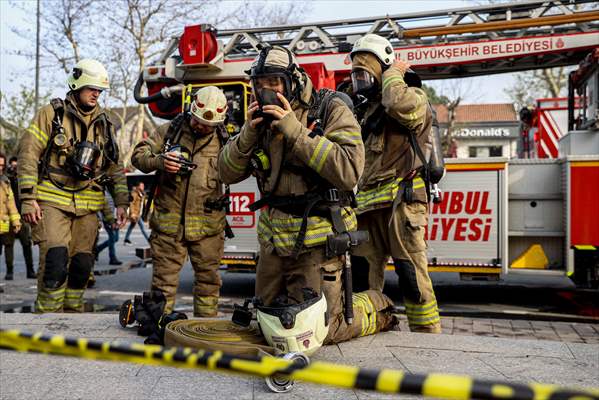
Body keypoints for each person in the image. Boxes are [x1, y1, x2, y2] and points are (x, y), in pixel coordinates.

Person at [218, 45, 398, 346]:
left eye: (274, 82)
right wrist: (248, 133)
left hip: (318, 243)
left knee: (320, 333)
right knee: (267, 326)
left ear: (294, 81)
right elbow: (225, 172)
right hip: (274, 244)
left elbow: (349, 170)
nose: (266, 91)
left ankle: (378, 306)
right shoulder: (258, 123)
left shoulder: (329, 108)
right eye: (259, 84)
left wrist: (294, 130)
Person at [17, 58, 129, 313]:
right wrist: (27, 198)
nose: (96, 94)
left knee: (82, 265)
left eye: (99, 90)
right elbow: (28, 154)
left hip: (89, 205)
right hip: (52, 201)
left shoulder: (105, 124)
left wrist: (122, 203)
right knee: (55, 262)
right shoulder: (51, 114)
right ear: (77, 85)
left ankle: (73, 319)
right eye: (92, 88)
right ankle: (46, 318)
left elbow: (115, 168)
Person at [349, 34, 441, 333]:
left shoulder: (412, 97)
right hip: (366, 209)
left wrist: (393, 74)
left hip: (401, 204)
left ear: (384, 68)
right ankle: (371, 333)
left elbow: (396, 102)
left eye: (366, 73)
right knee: (362, 282)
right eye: (356, 74)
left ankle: (427, 339)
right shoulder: (363, 111)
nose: (360, 81)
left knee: (411, 277)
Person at [131, 86, 229, 317]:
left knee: (208, 283)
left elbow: (240, 170)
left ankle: (205, 330)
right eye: (196, 120)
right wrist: (159, 162)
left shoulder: (225, 142)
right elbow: (138, 156)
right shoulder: (169, 132)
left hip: (208, 229)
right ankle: (156, 329)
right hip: (168, 227)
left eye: (208, 125)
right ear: (191, 111)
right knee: (162, 284)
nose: (200, 126)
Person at [2, 156, 35, 279]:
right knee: (8, 245)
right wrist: (10, 175)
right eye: (13, 166)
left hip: (22, 216)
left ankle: (30, 271)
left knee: (26, 244)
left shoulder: (22, 179)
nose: (15, 168)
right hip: (8, 217)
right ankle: (9, 272)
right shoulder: (6, 179)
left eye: (17, 166)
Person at [0, 153, 22, 280]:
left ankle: (10, 271)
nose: (0, 168)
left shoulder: (5, 182)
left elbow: (10, 202)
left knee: (8, 247)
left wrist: (16, 221)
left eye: (2, 166)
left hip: (3, 222)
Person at [96, 192, 122, 265]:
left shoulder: (115, 191)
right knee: (112, 238)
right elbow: (102, 207)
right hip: (108, 218)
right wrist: (101, 220)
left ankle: (97, 249)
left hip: (116, 218)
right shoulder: (106, 192)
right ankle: (112, 258)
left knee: (115, 238)